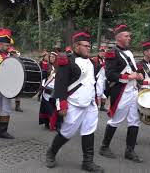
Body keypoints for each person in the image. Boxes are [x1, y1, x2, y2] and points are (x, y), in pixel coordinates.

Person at [45, 31, 104, 173]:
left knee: (89, 131)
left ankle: (87, 162)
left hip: (89, 103)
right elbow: (60, 85)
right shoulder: (67, 61)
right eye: (86, 46)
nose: (89, 48)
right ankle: (51, 152)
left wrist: (96, 100)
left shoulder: (91, 62)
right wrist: (62, 105)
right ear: (76, 46)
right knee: (67, 132)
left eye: (90, 46)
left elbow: (91, 83)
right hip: (74, 104)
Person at [99, 24, 144, 163]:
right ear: (118, 37)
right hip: (122, 92)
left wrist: (139, 75)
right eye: (126, 35)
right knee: (116, 120)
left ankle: (129, 151)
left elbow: (133, 70)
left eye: (129, 35)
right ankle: (104, 147)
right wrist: (129, 77)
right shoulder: (112, 52)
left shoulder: (129, 52)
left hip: (133, 91)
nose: (129, 38)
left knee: (135, 120)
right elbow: (110, 74)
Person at [39, 52, 61, 131]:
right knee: (46, 107)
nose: (51, 58)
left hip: (56, 89)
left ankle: (57, 124)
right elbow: (43, 77)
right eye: (50, 57)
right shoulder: (46, 66)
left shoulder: (59, 67)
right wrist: (42, 85)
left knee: (56, 107)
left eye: (53, 57)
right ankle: (47, 123)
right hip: (47, 89)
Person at [8, 46, 24, 112]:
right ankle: (5, 105)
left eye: (14, 53)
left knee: (18, 92)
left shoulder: (19, 60)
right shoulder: (7, 59)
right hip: (9, 78)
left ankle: (17, 106)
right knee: (7, 92)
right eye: (12, 53)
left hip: (16, 78)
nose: (13, 54)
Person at [92, 46, 108, 111]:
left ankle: (102, 106)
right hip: (96, 78)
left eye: (104, 52)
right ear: (99, 52)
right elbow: (94, 69)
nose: (102, 53)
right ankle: (94, 105)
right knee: (95, 92)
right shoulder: (94, 59)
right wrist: (101, 65)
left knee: (104, 91)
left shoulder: (105, 59)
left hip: (104, 78)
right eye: (101, 52)